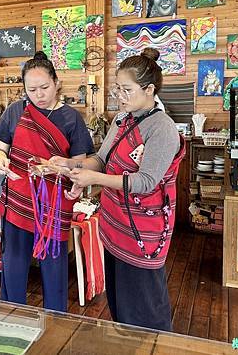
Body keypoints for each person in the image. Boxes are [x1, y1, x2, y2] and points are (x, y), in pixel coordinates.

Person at [50, 50, 185, 331]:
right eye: (118, 89)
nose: (120, 96)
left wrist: (95, 178)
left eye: (127, 90)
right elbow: (101, 158)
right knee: (121, 306)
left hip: (142, 232)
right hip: (115, 226)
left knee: (145, 311)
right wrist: (70, 163)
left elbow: (146, 181)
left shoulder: (162, 128)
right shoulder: (122, 120)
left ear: (149, 90)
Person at [0, 51, 93, 312]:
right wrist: (0, 158)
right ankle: (13, 319)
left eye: (44, 87)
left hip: (54, 202)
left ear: (57, 82)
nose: (39, 94)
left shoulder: (72, 118)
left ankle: (55, 323)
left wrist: (63, 166)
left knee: (54, 265)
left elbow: (80, 163)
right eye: (32, 89)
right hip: (18, 199)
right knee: (13, 263)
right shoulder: (16, 111)